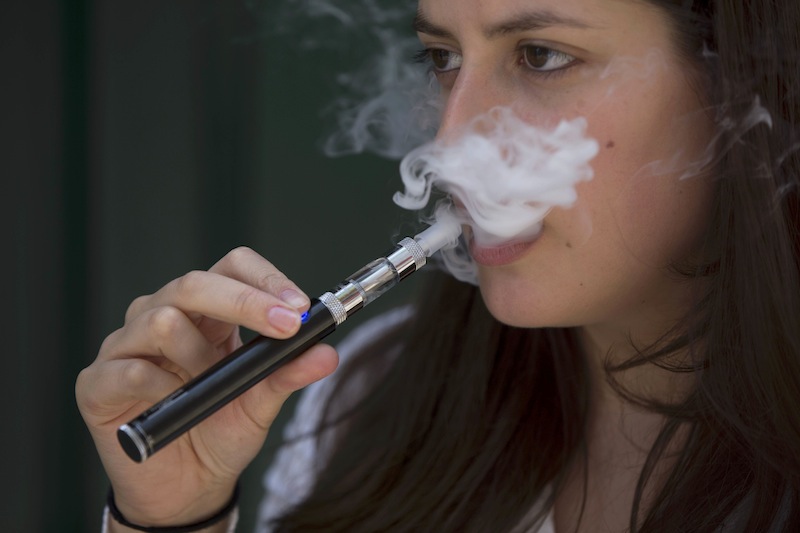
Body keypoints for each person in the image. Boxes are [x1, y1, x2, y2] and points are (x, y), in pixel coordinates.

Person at [76, 0, 800, 531]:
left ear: (736, 88)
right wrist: (174, 518)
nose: (451, 142)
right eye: (443, 59)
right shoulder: (368, 399)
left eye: (540, 56)